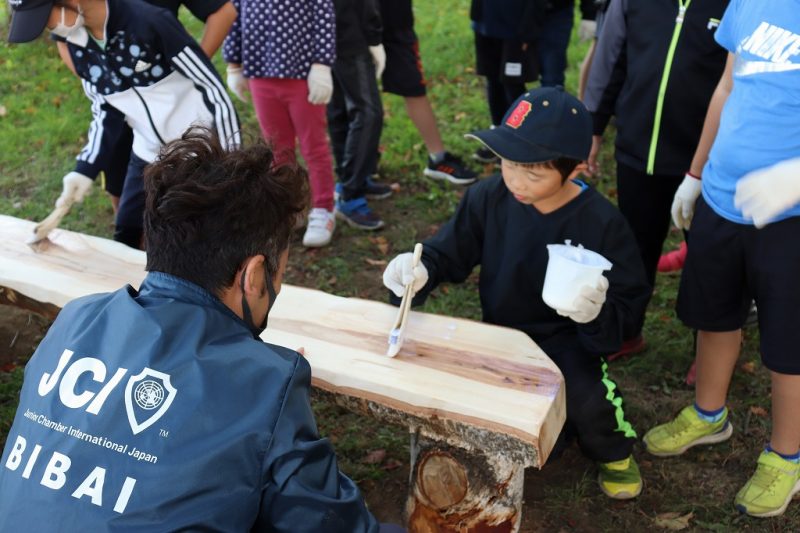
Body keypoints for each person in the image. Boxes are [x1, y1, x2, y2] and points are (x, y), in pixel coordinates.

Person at [0, 127, 389, 531]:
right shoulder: (266, 381)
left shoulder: (76, 318)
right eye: (281, 273)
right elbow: (328, 522)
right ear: (255, 276)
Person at [383, 88, 650, 500]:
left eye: (534, 172)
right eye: (508, 163)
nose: (515, 180)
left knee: (586, 402)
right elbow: (448, 253)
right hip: (502, 334)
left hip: (568, 340)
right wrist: (419, 271)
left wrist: (595, 314)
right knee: (484, 412)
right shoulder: (488, 198)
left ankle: (614, 452)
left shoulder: (602, 222)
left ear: (575, 168)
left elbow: (629, 303)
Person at [643, 1, 800, 518]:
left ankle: (787, 455)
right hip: (721, 196)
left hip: (790, 216)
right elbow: (727, 88)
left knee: (788, 343)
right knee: (715, 315)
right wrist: (694, 174)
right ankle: (709, 414)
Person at [7, 0, 240, 249]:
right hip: (147, 150)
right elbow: (104, 109)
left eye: (46, 19)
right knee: (127, 233)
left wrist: (232, 163)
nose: (48, 29)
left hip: (195, 150)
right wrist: (84, 169)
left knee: (193, 237)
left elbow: (214, 92)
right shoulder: (78, 45)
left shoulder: (148, 22)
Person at [583, 0, 730, 359]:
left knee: (709, 261)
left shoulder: (735, 5)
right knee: (634, 250)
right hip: (638, 153)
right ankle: (627, 332)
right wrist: (593, 127)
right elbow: (612, 60)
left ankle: (708, 354)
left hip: (706, 162)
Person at [53, 0, 236, 214]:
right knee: (125, 195)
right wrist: (104, 78)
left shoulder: (150, 19)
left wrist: (187, 68)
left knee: (191, 209)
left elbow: (223, 11)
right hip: (124, 109)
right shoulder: (69, 18)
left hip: (177, 115)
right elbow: (62, 38)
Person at [224, 0, 339, 248]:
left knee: (313, 145)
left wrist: (322, 64)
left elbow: (324, 18)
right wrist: (234, 64)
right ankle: (288, 206)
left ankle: (323, 207)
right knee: (277, 148)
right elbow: (233, 16)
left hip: (303, 75)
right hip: (261, 74)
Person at [469, 0, 597, 165]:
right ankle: (506, 139)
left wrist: (590, 12)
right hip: (506, 17)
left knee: (551, 80)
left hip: (553, 13)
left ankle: (550, 148)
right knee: (501, 79)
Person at [376, 0, 477, 186]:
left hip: (396, 24)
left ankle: (438, 159)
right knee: (359, 100)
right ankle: (356, 171)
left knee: (414, 88)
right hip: (355, 28)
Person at [328, 0, 387, 230]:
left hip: (329, 29)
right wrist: (373, 36)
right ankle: (351, 192)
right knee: (368, 112)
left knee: (341, 109)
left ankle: (351, 179)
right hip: (349, 32)